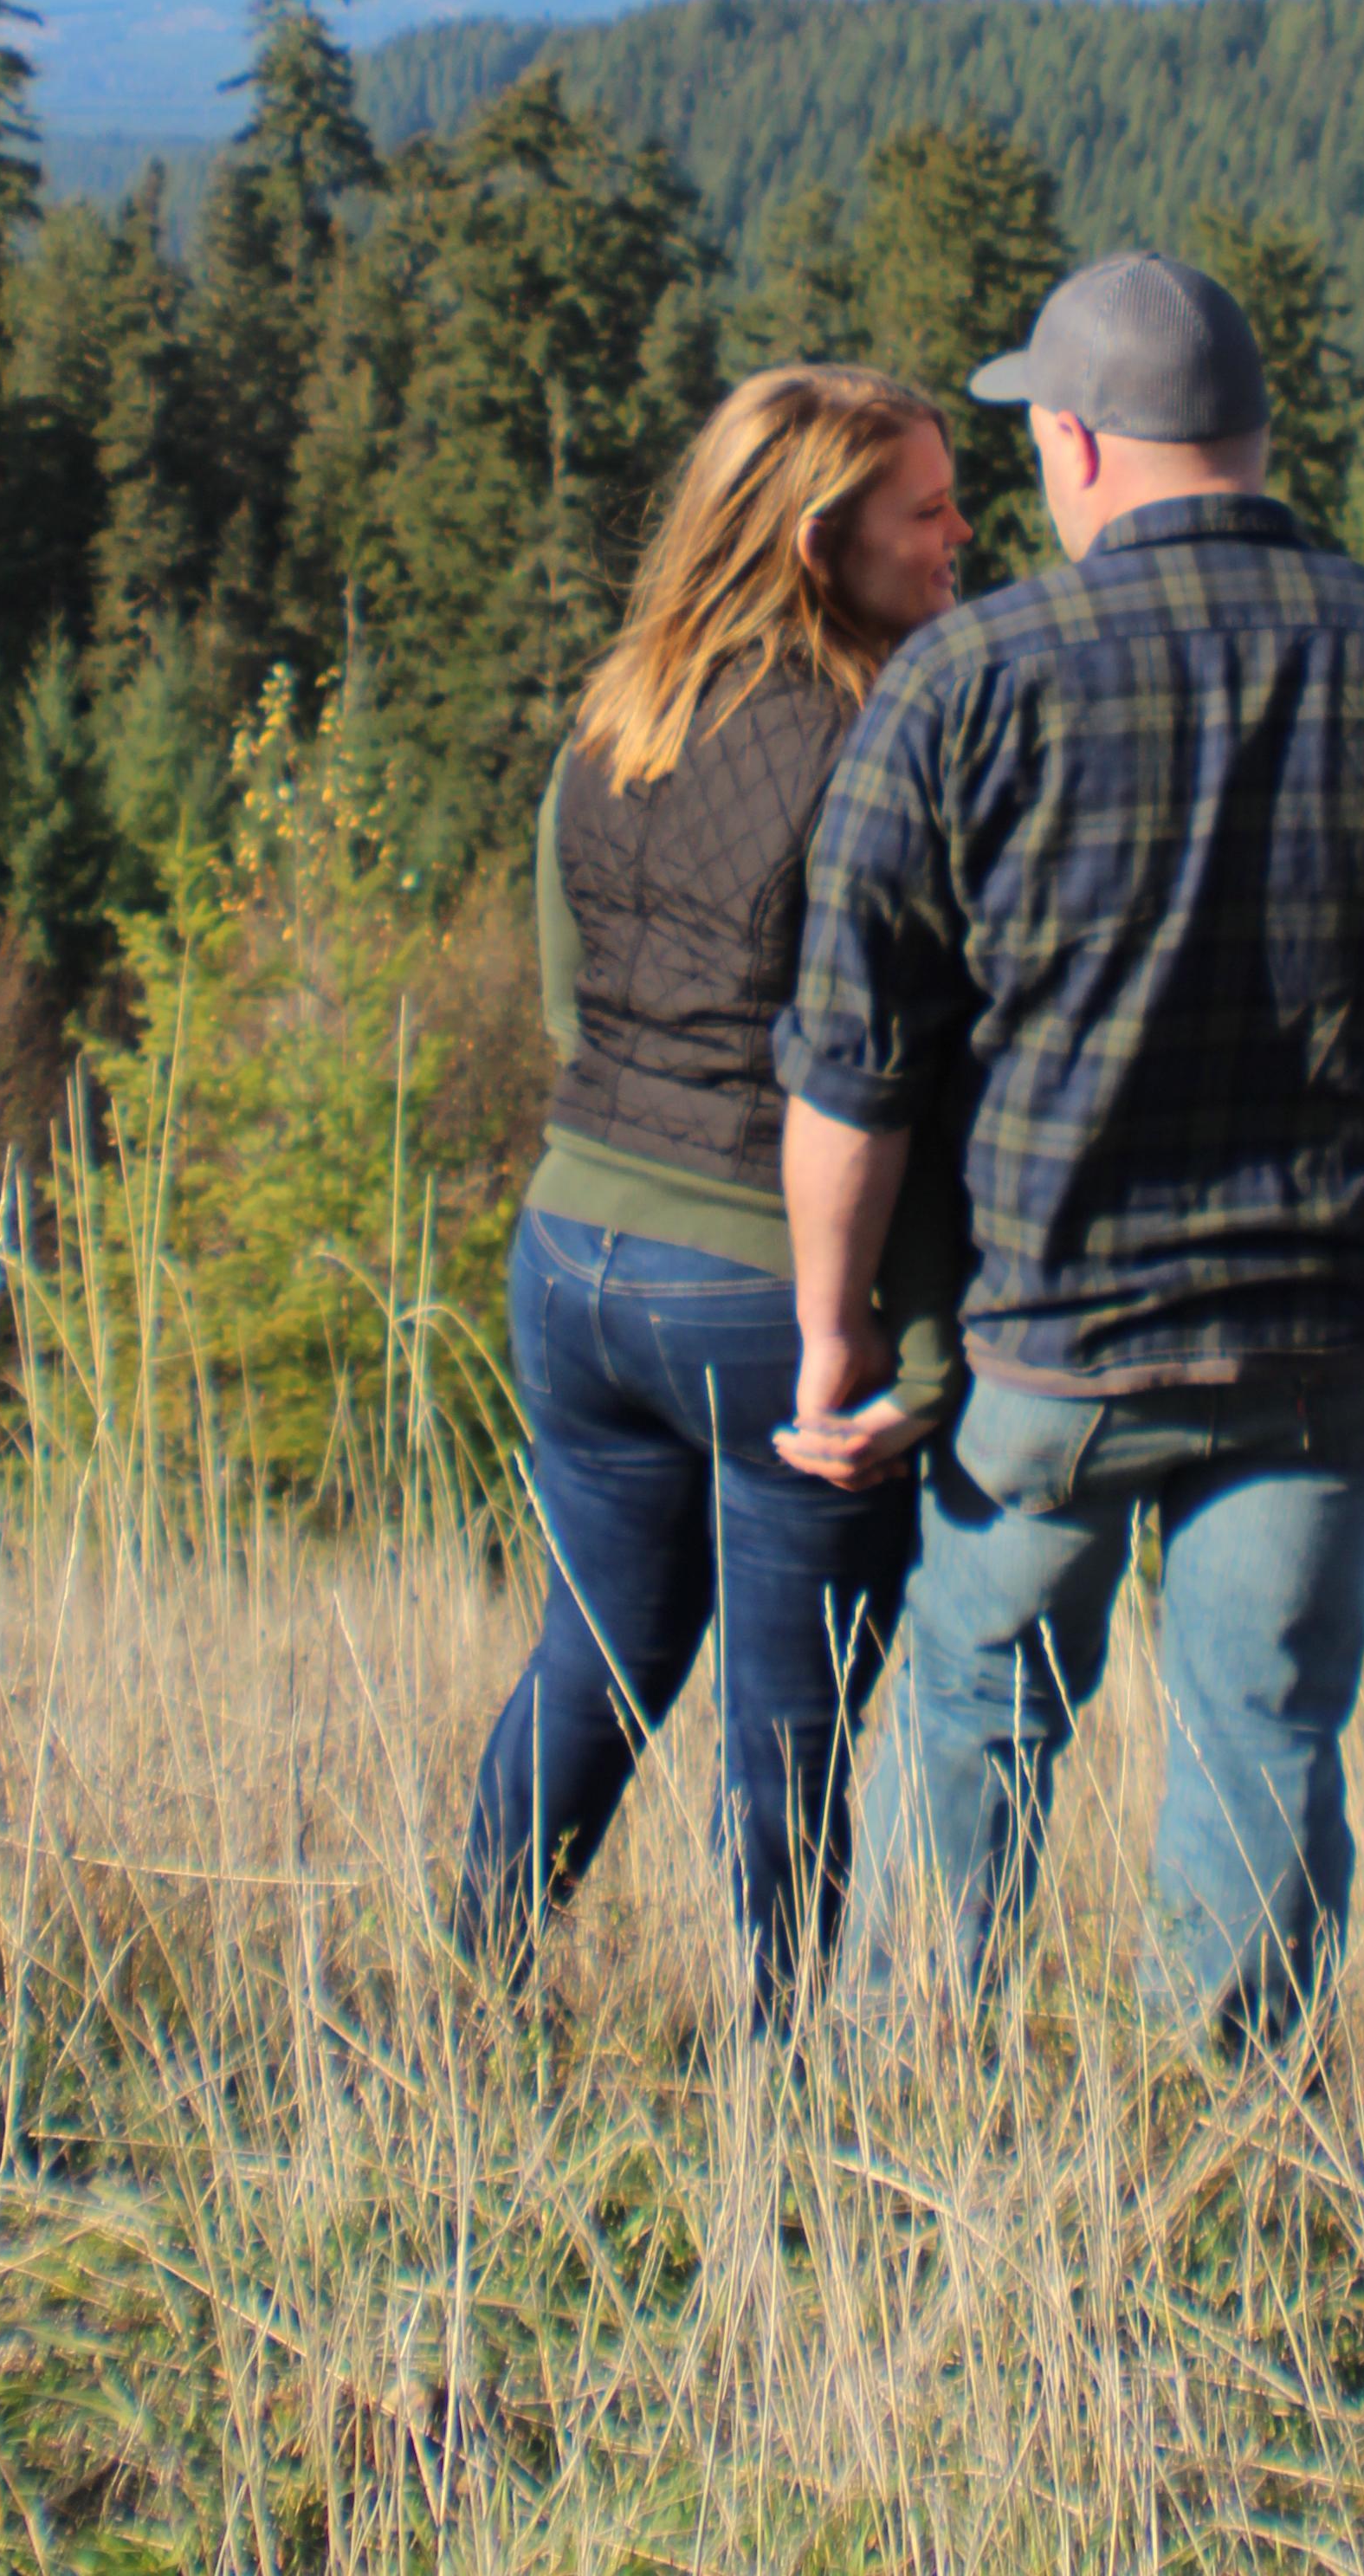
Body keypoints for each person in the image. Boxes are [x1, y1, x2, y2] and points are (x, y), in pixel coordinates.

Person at [778, 250, 1364, 2048]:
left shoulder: (962, 686)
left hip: (1053, 1339)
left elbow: (850, 1073)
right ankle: (1223, 2160)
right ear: (1252, 439)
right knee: (1264, 1727)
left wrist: (834, 1331)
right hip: (1333, 1336)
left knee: (977, 1716)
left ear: (1078, 443)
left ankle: (901, 2113)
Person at [452, 362, 977, 2024]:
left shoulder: (619, 714)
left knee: (597, 1657)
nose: (965, 533)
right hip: (770, 1289)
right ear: (824, 540)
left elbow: (560, 998)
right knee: (796, 1720)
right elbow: (902, 1076)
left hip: (574, 1254)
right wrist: (930, 1350)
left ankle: (467, 1980)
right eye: (928, 509)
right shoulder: (884, 748)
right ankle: (787, 2089)